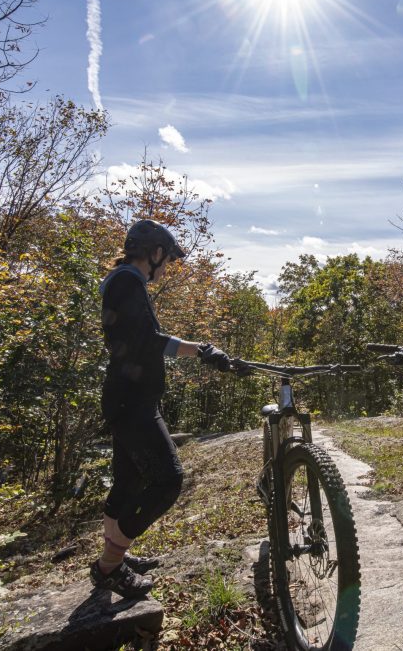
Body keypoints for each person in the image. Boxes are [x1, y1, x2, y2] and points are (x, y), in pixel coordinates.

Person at [91, 219, 233, 598]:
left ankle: (116, 559)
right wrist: (200, 349)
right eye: (166, 258)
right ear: (154, 253)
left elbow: (143, 340)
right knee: (167, 480)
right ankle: (108, 567)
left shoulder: (124, 282)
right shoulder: (127, 282)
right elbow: (151, 340)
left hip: (127, 397)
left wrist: (198, 350)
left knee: (128, 481)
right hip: (132, 401)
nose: (167, 265)